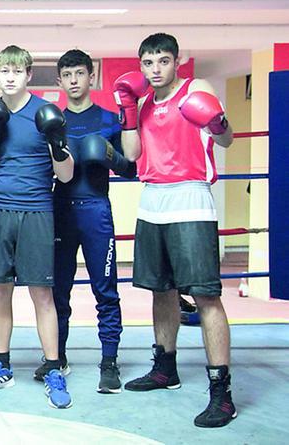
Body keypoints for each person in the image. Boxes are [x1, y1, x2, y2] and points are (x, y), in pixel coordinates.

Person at [117, 32, 237, 427]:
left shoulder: (196, 88)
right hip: (153, 199)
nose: (155, 69)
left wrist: (217, 121)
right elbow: (131, 155)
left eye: (163, 61)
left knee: (205, 296)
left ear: (177, 61)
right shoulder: (143, 102)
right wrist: (128, 111)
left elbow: (227, 139)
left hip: (191, 198)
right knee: (161, 290)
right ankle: (164, 368)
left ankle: (222, 394)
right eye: (148, 63)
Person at [0, 45, 75, 409]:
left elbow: (66, 175)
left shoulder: (46, 113)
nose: (10, 77)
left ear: (29, 75)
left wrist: (57, 143)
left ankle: (53, 367)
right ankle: (1, 364)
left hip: (37, 211)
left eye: (17, 71)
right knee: (0, 291)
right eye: (4, 71)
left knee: (42, 294)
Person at [50, 49, 134, 394]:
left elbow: (131, 169)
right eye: (67, 75)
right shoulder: (53, 122)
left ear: (91, 77)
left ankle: (109, 362)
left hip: (96, 209)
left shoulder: (109, 120)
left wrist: (111, 156)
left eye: (80, 73)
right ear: (59, 81)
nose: (74, 81)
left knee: (105, 289)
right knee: (58, 290)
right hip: (61, 209)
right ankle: (57, 357)